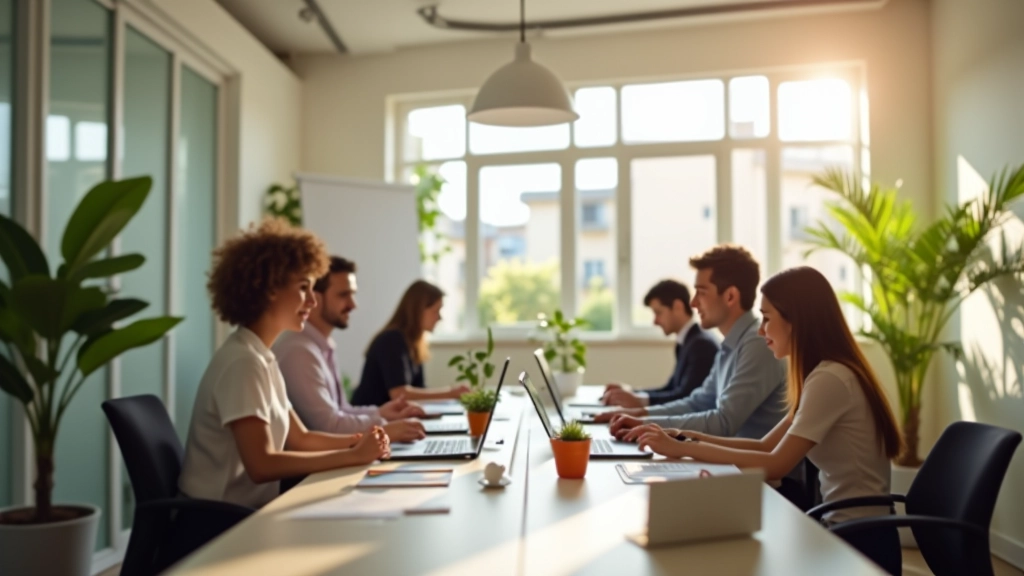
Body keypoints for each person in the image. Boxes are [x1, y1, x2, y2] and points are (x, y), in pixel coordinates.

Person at [633, 266, 904, 575]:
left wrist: (684, 448)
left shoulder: (830, 379)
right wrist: (682, 436)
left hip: (860, 544)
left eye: (767, 318)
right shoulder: (821, 374)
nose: (761, 331)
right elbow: (764, 445)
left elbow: (776, 465)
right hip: (840, 528)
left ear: (796, 322)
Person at [179, 220, 390, 509]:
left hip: (248, 513)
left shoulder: (261, 356)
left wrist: (360, 440)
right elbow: (262, 465)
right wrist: (353, 455)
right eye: (304, 288)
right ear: (268, 288)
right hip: (219, 521)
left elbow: (301, 439)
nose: (311, 302)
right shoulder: (243, 363)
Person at [596, 245, 787, 444]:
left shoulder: (758, 343)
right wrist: (640, 416)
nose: (693, 303)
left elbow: (724, 422)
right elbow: (699, 402)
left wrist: (647, 424)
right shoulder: (731, 343)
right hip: (734, 465)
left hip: (760, 474)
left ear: (730, 296)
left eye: (701, 292)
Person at [274, 256, 427, 443]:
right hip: (315, 469)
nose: (353, 305)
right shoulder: (298, 350)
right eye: (343, 295)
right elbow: (329, 426)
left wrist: (382, 412)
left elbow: (340, 409)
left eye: (352, 294)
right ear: (316, 298)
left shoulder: (320, 345)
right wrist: (384, 426)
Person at [351, 280, 471, 406]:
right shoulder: (391, 340)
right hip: (373, 421)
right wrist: (450, 393)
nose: (440, 318)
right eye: (436, 311)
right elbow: (399, 394)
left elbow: (420, 389)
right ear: (418, 310)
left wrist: (449, 396)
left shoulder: (414, 343)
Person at [601, 279, 719, 408]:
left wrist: (639, 401)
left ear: (677, 306)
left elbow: (686, 397)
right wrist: (631, 392)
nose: (655, 322)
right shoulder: (688, 341)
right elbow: (671, 388)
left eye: (658, 313)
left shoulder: (700, 345)